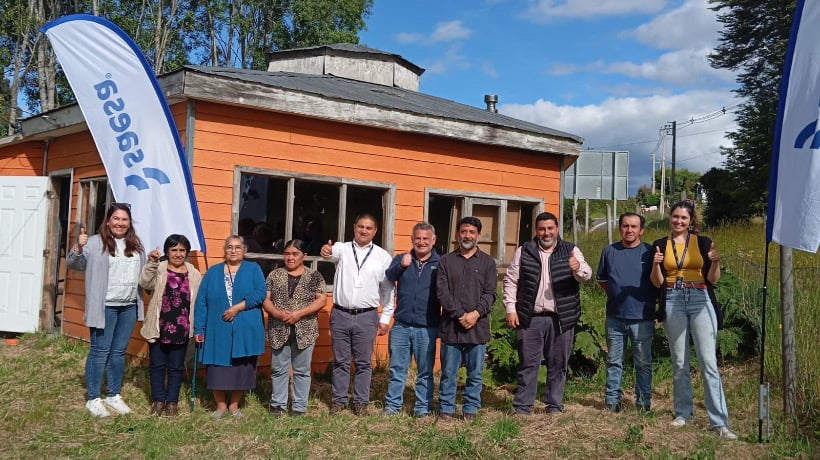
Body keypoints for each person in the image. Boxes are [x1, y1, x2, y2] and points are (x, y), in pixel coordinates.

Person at [650, 201, 737, 440]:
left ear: (691, 221)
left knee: (708, 362)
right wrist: (656, 265)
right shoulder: (659, 244)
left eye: (684, 218)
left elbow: (713, 279)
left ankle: (719, 422)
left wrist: (716, 262)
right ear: (670, 218)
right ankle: (683, 413)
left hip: (700, 297)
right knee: (679, 362)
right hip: (672, 298)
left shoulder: (703, 242)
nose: (679, 221)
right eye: (675, 217)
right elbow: (657, 282)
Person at [503, 212, 591, 415]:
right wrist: (510, 308)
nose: (546, 233)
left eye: (550, 228)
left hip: (561, 318)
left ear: (557, 228)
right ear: (537, 230)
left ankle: (554, 406)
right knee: (528, 364)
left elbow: (586, 275)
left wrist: (577, 268)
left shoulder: (571, 250)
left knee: (558, 364)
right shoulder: (524, 251)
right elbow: (511, 281)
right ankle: (523, 407)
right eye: (542, 229)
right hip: (530, 317)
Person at [66, 203, 146, 417]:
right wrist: (78, 248)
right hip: (105, 307)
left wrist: (154, 261)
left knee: (118, 353)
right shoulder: (94, 242)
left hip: (128, 305)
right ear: (108, 221)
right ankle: (93, 398)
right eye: (116, 219)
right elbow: (74, 264)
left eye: (124, 219)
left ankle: (113, 394)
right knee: (100, 352)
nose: (120, 223)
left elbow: (144, 275)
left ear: (129, 223)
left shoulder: (136, 245)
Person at [320, 214, 395, 416]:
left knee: (363, 363)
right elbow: (328, 253)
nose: (364, 230)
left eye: (368, 228)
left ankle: (361, 403)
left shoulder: (382, 257)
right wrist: (325, 250)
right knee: (341, 361)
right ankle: (339, 401)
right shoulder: (342, 249)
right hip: (341, 314)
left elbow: (388, 290)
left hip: (367, 316)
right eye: (360, 226)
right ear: (354, 227)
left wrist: (386, 318)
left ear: (375, 231)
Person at [194, 235, 267, 419]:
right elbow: (201, 302)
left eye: (237, 247)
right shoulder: (213, 272)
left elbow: (261, 293)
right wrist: (199, 329)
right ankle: (220, 406)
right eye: (229, 247)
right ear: (224, 251)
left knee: (241, 367)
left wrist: (238, 307)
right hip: (217, 329)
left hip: (245, 327)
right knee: (217, 367)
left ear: (244, 250)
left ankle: (234, 405)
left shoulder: (253, 269)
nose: (233, 251)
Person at [437, 216, 497, 421]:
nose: (467, 235)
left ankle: (470, 409)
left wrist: (476, 313)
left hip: (477, 327)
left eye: (472, 232)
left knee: (475, 374)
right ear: (457, 234)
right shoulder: (446, 261)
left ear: (478, 235)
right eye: (463, 231)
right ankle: (446, 408)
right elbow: (442, 292)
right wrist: (460, 314)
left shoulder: (488, 262)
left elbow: (491, 293)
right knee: (448, 372)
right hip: (451, 327)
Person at [596, 212, 657, 413]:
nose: (629, 230)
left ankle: (643, 403)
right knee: (614, 361)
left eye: (633, 226)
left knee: (643, 363)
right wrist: (616, 294)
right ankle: (612, 401)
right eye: (625, 226)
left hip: (642, 318)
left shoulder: (649, 252)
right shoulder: (609, 251)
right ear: (619, 228)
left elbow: (658, 282)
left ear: (641, 230)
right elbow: (603, 280)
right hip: (615, 316)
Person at [139, 234, 203, 417]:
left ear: (187, 252)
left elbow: (198, 301)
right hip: (159, 325)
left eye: (182, 250)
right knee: (157, 365)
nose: (177, 254)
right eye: (174, 250)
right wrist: (151, 263)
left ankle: (172, 403)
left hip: (181, 327)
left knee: (176, 367)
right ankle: (158, 400)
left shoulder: (194, 274)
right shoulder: (159, 269)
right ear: (167, 252)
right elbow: (144, 282)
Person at [381, 222, 441, 417]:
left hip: (427, 327)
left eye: (426, 239)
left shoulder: (440, 264)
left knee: (425, 371)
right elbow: (389, 276)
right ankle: (392, 407)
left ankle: (422, 408)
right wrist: (401, 265)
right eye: (418, 238)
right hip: (401, 325)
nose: (421, 242)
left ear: (433, 240)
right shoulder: (401, 259)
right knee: (397, 369)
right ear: (412, 240)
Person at [262, 239, 327, 417]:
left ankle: (299, 407)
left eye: (295, 254)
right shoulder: (275, 275)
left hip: (305, 329)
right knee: (279, 369)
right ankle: (278, 405)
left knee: (302, 370)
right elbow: (265, 298)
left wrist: (299, 313)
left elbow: (321, 300)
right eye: (287, 254)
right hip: (278, 328)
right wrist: (276, 313)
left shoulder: (314, 276)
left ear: (304, 256)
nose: (290, 257)